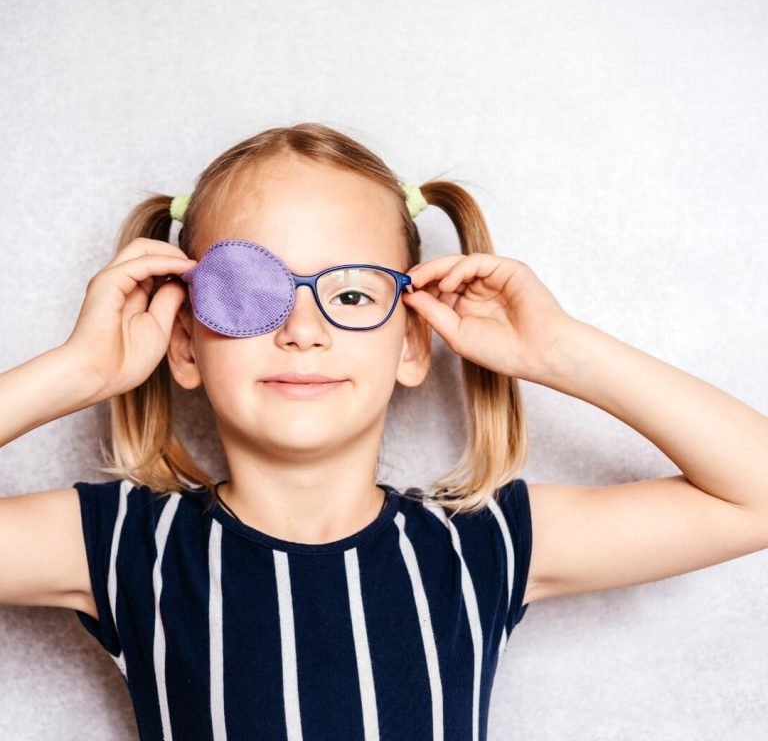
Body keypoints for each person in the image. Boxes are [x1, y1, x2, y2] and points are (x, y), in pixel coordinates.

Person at [0, 122, 766, 741]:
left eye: (355, 294)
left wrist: (559, 351)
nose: (303, 330)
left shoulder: (483, 545)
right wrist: (78, 372)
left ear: (412, 342)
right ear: (187, 343)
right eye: (248, 292)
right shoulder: (125, 544)